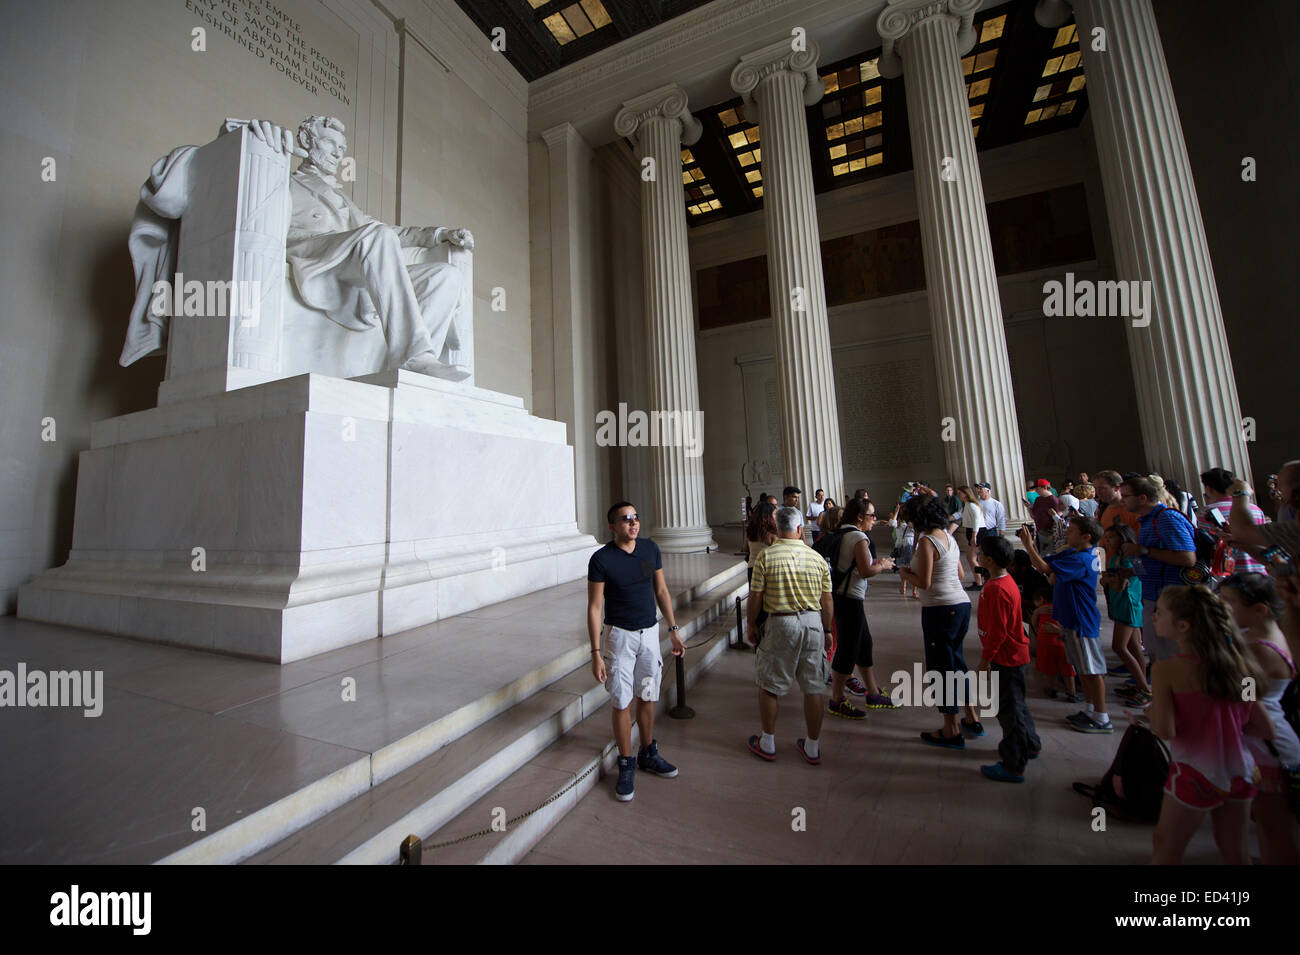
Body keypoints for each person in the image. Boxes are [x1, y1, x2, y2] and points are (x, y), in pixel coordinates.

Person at [277, 116, 470, 377]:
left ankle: (416, 375)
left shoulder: (342, 197)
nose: (337, 153)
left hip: (352, 256)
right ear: (306, 141)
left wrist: (438, 235)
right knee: (376, 236)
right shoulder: (284, 179)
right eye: (329, 143)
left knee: (445, 276)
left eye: (342, 148)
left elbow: (388, 232)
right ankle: (413, 356)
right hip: (313, 254)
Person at [1148, 586, 1273, 865]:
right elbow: (1266, 729)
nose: (1154, 616)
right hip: (1243, 771)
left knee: (1166, 847)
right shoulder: (1239, 665)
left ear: (1183, 626)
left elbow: (1164, 730)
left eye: (1160, 612)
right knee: (1236, 852)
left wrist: (1153, 712)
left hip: (1197, 772)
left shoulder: (1165, 670)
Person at [587, 502, 686, 802]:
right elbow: (594, 607)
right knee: (621, 700)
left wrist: (673, 628)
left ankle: (647, 752)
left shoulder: (649, 549)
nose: (633, 523)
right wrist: (594, 652)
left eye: (635, 518)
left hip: (649, 635)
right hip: (619, 638)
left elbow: (661, 591)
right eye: (626, 519)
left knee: (647, 694)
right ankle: (626, 764)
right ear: (613, 526)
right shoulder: (601, 559)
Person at [1218, 573, 1300, 864]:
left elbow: (1244, 698)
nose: (1221, 607)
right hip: (1264, 742)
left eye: (1228, 602)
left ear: (1259, 609)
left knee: (1275, 830)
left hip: (1270, 748)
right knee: (1268, 826)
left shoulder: (1258, 649)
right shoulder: (1265, 632)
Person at [745, 507, 834, 764]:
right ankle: (813, 746)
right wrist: (827, 629)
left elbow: (756, 596)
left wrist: (751, 623)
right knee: (813, 688)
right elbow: (826, 599)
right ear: (799, 529)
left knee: (770, 685)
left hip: (781, 623)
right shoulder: (816, 558)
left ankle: (768, 741)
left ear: (776, 528)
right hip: (812, 622)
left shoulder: (766, 556)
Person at [900, 497, 982, 748]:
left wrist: (905, 573)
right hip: (960, 604)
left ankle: (951, 728)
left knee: (942, 669)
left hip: (940, 609)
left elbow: (923, 582)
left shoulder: (927, 541)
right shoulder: (947, 537)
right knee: (956, 662)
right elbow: (958, 573)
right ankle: (971, 717)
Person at [1019, 515, 1110, 732]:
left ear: (1086, 536)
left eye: (1071, 531)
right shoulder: (1073, 553)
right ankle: (1090, 709)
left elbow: (1042, 568)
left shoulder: (1082, 559)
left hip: (1081, 620)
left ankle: (1102, 716)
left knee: (1092, 669)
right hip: (1070, 619)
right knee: (1081, 668)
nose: (1066, 534)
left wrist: (1028, 545)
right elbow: (1045, 563)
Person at [975, 535, 1041, 782]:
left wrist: (985, 660)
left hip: (1007, 657)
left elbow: (998, 632)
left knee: (1009, 711)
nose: (977, 555)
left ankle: (1014, 763)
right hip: (1013, 654)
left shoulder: (996, 588)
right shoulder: (1003, 581)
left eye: (980, 553)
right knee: (1017, 703)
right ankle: (1031, 743)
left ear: (989, 560)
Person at [825, 499, 898, 718]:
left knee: (864, 644)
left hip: (843, 596)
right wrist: (883, 565)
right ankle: (837, 699)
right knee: (848, 648)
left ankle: (873, 692)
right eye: (871, 516)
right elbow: (865, 571)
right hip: (849, 598)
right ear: (859, 516)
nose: (874, 520)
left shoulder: (840, 533)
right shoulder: (858, 537)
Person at [1121, 475, 1197, 664]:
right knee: (1159, 654)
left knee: (1174, 657)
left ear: (1142, 498)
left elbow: (1187, 558)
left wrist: (1143, 550)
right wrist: (1132, 571)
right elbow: (1150, 560)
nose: (1122, 500)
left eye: (1126, 496)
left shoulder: (1166, 518)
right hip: (1154, 594)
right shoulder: (1146, 521)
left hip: (1171, 596)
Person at [1101, 523, 1148, 705]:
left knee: (1119, 647)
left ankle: (1144, 688)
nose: (1108, 541)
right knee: (1134, 646)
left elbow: (1120, 584)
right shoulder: (1114, 559)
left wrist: (1111, 579)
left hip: (1129, 604)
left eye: (1112, 537)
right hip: (1119, 603)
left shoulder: (1132, 557)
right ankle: (1140, 684)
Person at [1199, 467, 1268, 574]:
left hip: (1229, 573)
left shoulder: (1205, 512)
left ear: (1209, 489)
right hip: (1259, 568)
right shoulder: (1256, 509)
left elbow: (1206, 544)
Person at [1030, 586, 1077, 702]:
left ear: (1041, 599)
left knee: (1049, 669)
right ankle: (1072, 692)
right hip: (1063, 643)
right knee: (1068, 670)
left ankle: (1051, 689)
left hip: (1045, 644)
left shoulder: (1040, 610)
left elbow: (1033, 624)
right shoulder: (1063, 607)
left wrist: (1036, 613)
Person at [971, 481, 1008, 589]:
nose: (978, 491)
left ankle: (992, 575)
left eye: (981, 489)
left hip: (991, 531)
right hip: (980, 531)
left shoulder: (996, 504)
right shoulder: (976, 503)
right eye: (978, 489)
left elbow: (1001, 518)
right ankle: (985, 577)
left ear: (988, 490)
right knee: (981, 555)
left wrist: (1002, 532)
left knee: (992, 554)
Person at [957, 485, 984, 587]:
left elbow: (976, 520)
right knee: (974, 558)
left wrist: (974, 535)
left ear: (965, 493)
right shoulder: (967, 504)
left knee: (971, 558)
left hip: (976, 531)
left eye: (960, 493)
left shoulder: (971, 504)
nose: (958, 495)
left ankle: (979, 582)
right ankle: (979, 580)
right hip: (973, 531)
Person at [888, 504, 917, 599]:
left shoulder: (908, 522)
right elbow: (892, 523)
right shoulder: (902, 522)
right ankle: (909, 589)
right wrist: (896, 512)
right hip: (905, 544)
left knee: (907, 567)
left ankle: (908, 588)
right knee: (908, 567)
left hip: (906, 544)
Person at [1029, 479, 1062, 554]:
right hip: (1040, 531)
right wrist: (1028, 507)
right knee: (1041, 553)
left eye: (1038, 488)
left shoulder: (1053, 499)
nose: (1036, 490)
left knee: (1049, 553)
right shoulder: (1038, 499)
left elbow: (1058, 517)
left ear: (1045, 487)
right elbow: (1034, 516)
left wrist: (1053, 533)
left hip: (1049, 532)